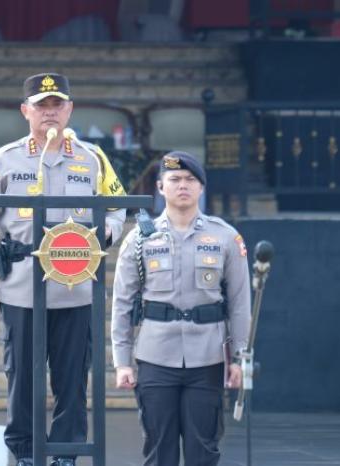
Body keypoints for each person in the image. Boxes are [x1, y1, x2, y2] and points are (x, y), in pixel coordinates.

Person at [0, 73, 127, 466]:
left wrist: (106, 231)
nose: (50, 113)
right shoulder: (4, 158)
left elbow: (118, 203)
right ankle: (24, 451)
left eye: (58, 105)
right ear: (26, 112)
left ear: (70, 109)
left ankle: (66, 452)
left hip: (75, 287)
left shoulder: (92, 158)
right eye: (42, 106)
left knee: (72, 378)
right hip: (21, 284)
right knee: (22, 377)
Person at [111, 151, 251, 466]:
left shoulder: (225, 237)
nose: (182, 186)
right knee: (159, 448)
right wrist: (122, 362)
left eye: (190, 180)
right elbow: (122, 303)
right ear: (160, 187)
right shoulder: (139, 239)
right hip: (155, 355)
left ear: (201, 188)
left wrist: (240, 359)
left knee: (204, 447)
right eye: (174, 179)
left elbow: (241, 303)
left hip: (208, 356)